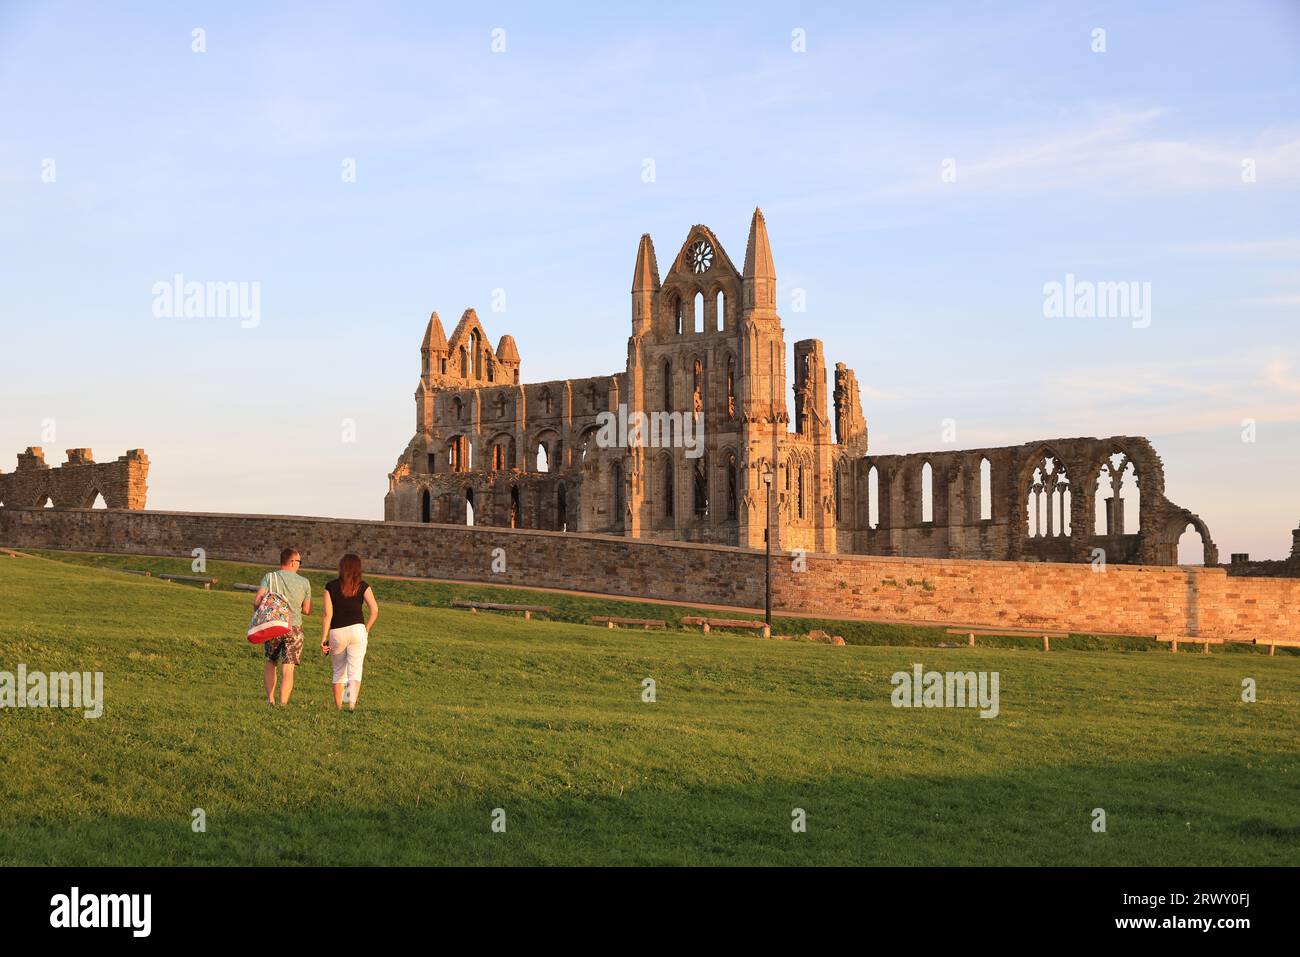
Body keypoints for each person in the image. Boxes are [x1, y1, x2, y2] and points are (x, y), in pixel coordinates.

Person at [320, 553, 378, 712]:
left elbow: (327, 615)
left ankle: (339, 707)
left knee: (339, 671)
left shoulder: (330, 586)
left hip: (337, 631)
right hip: (358, 630)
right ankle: (350, 705)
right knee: (355, 670)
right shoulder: (363, 586)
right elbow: (374, 610)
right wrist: (367, 628)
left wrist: (324, 638)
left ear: (341, 567)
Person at [255, 547, 312, 705]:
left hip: (273, 626)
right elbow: (306, 609)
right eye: (299, 561)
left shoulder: (270, 577)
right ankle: (283, 703)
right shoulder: (304, 582)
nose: (300, 564)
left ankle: (270, 699)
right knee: (289, 668)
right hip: (294, 628)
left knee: (270, 662)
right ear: (292, 562)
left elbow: (257, 601)